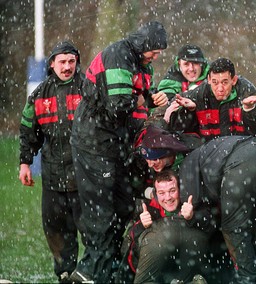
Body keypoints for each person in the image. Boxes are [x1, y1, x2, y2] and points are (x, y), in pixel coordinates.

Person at [69, 21, 168, 283]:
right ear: (143, 44)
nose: (157, 56)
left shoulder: (140, 63)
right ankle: (94, 272)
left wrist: (152, 97)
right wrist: (142, 99)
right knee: (100, 209)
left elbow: (137, 97)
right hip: (94, 140)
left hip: (114, 141)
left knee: (123, 205)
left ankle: (104, 268)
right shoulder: (118, 55)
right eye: (155, 50)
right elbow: (119, 105)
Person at [19, 41, 85, 282]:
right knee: (57, 233)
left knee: (93, 233)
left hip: (84, 177)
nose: (67, 67)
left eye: (71, 61)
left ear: (77, 62)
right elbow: (28, 130)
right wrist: (25, 163)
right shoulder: (39, 94)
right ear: (52, 64)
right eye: (62, 62)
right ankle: (65, 275)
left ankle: (92, 273)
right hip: (53, 178)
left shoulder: (88, 89)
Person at [179, 135, 256, 283]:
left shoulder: (188, 164)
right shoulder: (210, 151)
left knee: (232, 227)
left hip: (244, 162)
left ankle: (248, 279)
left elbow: (195, 205)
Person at [124, 169, 209, 284]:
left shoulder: (189, 204)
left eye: (172, 190)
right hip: (154, 268)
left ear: (180, 190)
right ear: (155, 194)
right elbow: (131, 237)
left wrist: (192, 217)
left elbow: (210, 224)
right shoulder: (148, 208)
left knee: (196, 236)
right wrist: (143, 225)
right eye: (162, 193)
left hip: (180, 265)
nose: (168, 197)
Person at [164, 57, 256, 140]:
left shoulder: (247, 92)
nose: (220, 89)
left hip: (241, 149)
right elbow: (177, 127)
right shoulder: (198, 94)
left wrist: (249, 109)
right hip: (210, 153)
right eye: (215, 82)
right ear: (208, 80)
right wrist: (189, 110)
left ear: (233, 80)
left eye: (225, 82)